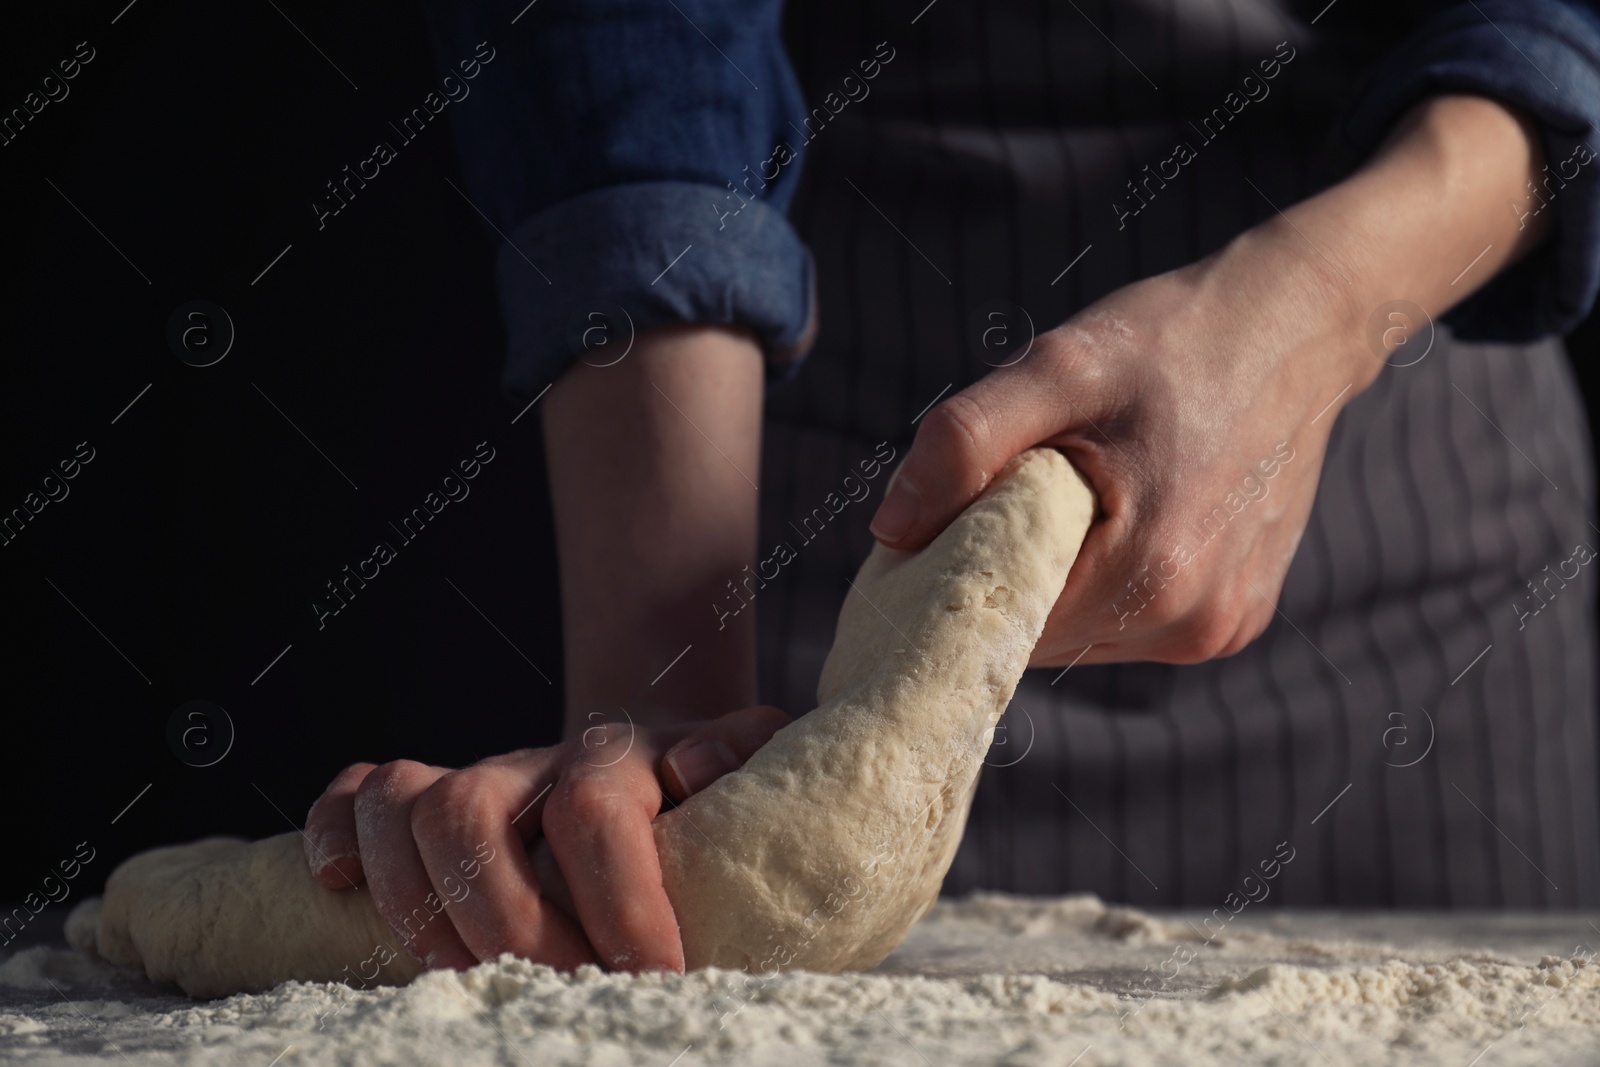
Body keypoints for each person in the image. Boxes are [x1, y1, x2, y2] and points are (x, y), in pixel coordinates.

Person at [301, 0, 1600, 973]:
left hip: (1414, 563)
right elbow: (638, 47)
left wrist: (1319, 307)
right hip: (796, 534)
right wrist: (667, 714)